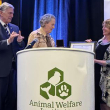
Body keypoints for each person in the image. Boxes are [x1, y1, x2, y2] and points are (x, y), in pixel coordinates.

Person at [0, 2, 24, 110]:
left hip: (13, 68)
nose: (12, 16)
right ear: (1, 13)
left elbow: (20, 47)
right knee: (1, 97)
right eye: (9, 13)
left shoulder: (14, 27)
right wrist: (8, 41)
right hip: (1, 69)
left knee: (12, 96)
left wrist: (19, 41)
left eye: (13, 14)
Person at [86, 19, 110, 110]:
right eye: (103, 26)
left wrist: (96, 61)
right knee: (97, 98)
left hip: (107, 78)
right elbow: (95, 52)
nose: (103, 28)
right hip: (96, 74)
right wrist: (91, 44)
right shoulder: (100, 41)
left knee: (105, 101)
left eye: (106, 27)